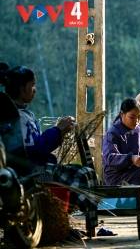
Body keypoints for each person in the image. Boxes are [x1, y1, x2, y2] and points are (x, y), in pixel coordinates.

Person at [0, 63, 99, 230]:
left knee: (86, 173)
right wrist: (57, 130)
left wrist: (59, 133)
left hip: (37, 165)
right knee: (84, 173)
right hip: (30, 170)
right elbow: (31, 148)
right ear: (19, 88)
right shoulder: (15, 117)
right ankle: (86, 225)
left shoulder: (25, 114)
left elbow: (36, 143)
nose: (35, 90)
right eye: (31, 85)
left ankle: (86, 224)